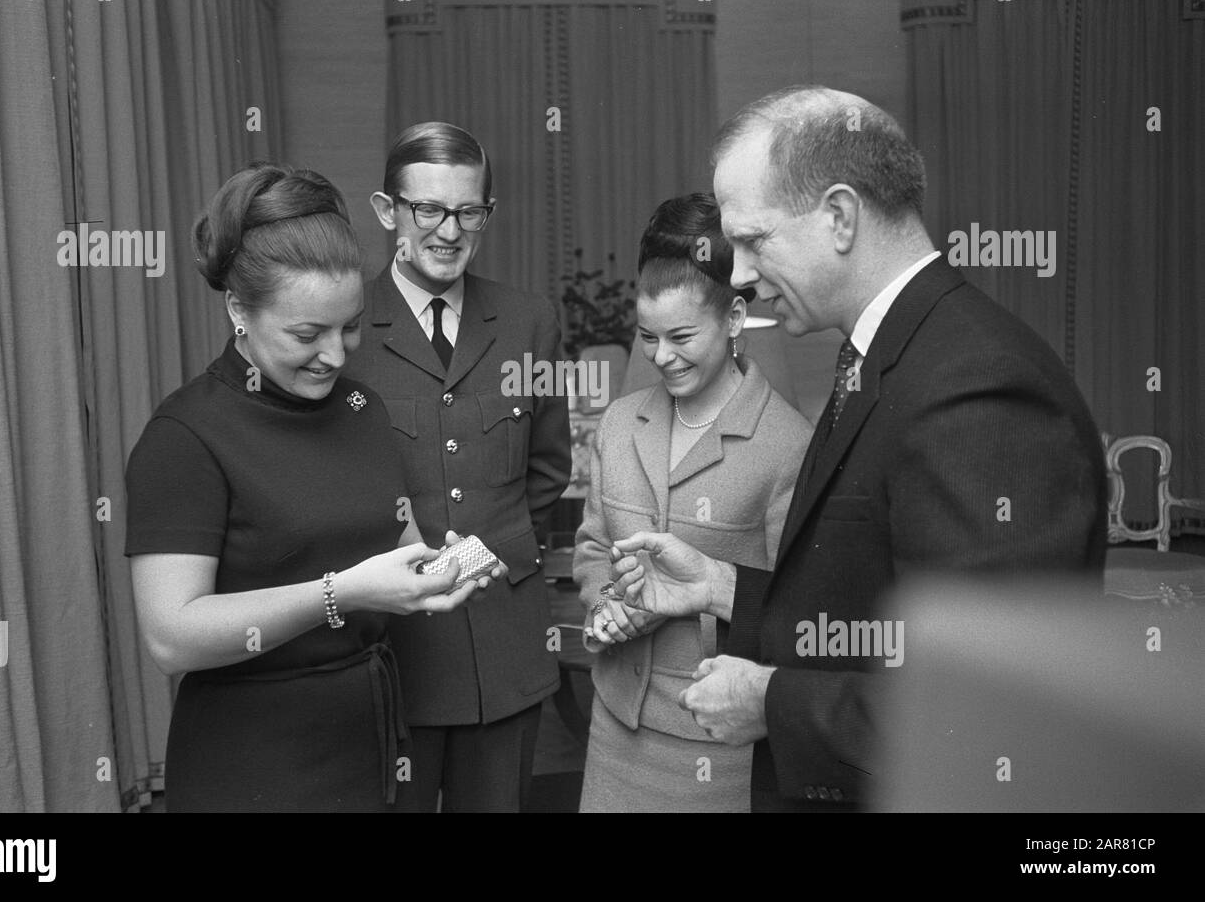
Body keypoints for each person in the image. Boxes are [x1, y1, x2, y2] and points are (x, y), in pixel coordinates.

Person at [608, 86, 1108, 812]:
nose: (738, 274)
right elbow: (868, 600)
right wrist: (721, 587)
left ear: (839, 216)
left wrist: (773, 700)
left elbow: (995, 713)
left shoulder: (977, 388)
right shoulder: (886, 356)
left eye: (753, 239)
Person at [124, 163, 505, 812]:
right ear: (239, 309)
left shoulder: (362, 409)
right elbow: (171, 635)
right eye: (307, 334)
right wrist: (340, 592)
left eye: (350, 326)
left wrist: (441, 569)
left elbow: (401, 541)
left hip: (370, 748)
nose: (334, 354)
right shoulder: (185, 435)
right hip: (252, 762)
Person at [342, 122, 572, 812]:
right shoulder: (345, 327)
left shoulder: (530, 321)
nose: (450, 230)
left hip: (503, 646)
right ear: (389, 213)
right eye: (429, 210)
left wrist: (492, 553)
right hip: (392, 650)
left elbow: (548, 469)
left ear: (487, 214)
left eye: (469, 210)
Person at [573, 193, 811, 813]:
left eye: (681, 336)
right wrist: (607, 605)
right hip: (616, 724)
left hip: (717, 739)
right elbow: (594, 546)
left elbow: (799, 602)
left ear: (734, 319)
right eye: (647, 337)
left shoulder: (788, 445)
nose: (661, 356)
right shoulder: (621, 422)